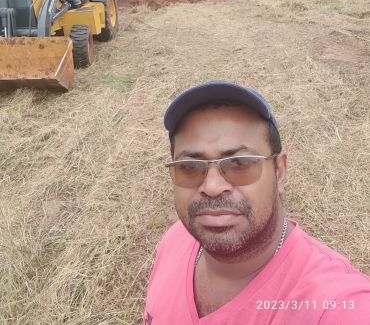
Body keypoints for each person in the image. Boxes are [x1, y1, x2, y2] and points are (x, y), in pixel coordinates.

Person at [143, 80, 370, 324]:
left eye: (240, 163)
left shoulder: (333, 305)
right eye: (189, 166)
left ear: (279, 171)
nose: (211, 186)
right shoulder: (175, 240)